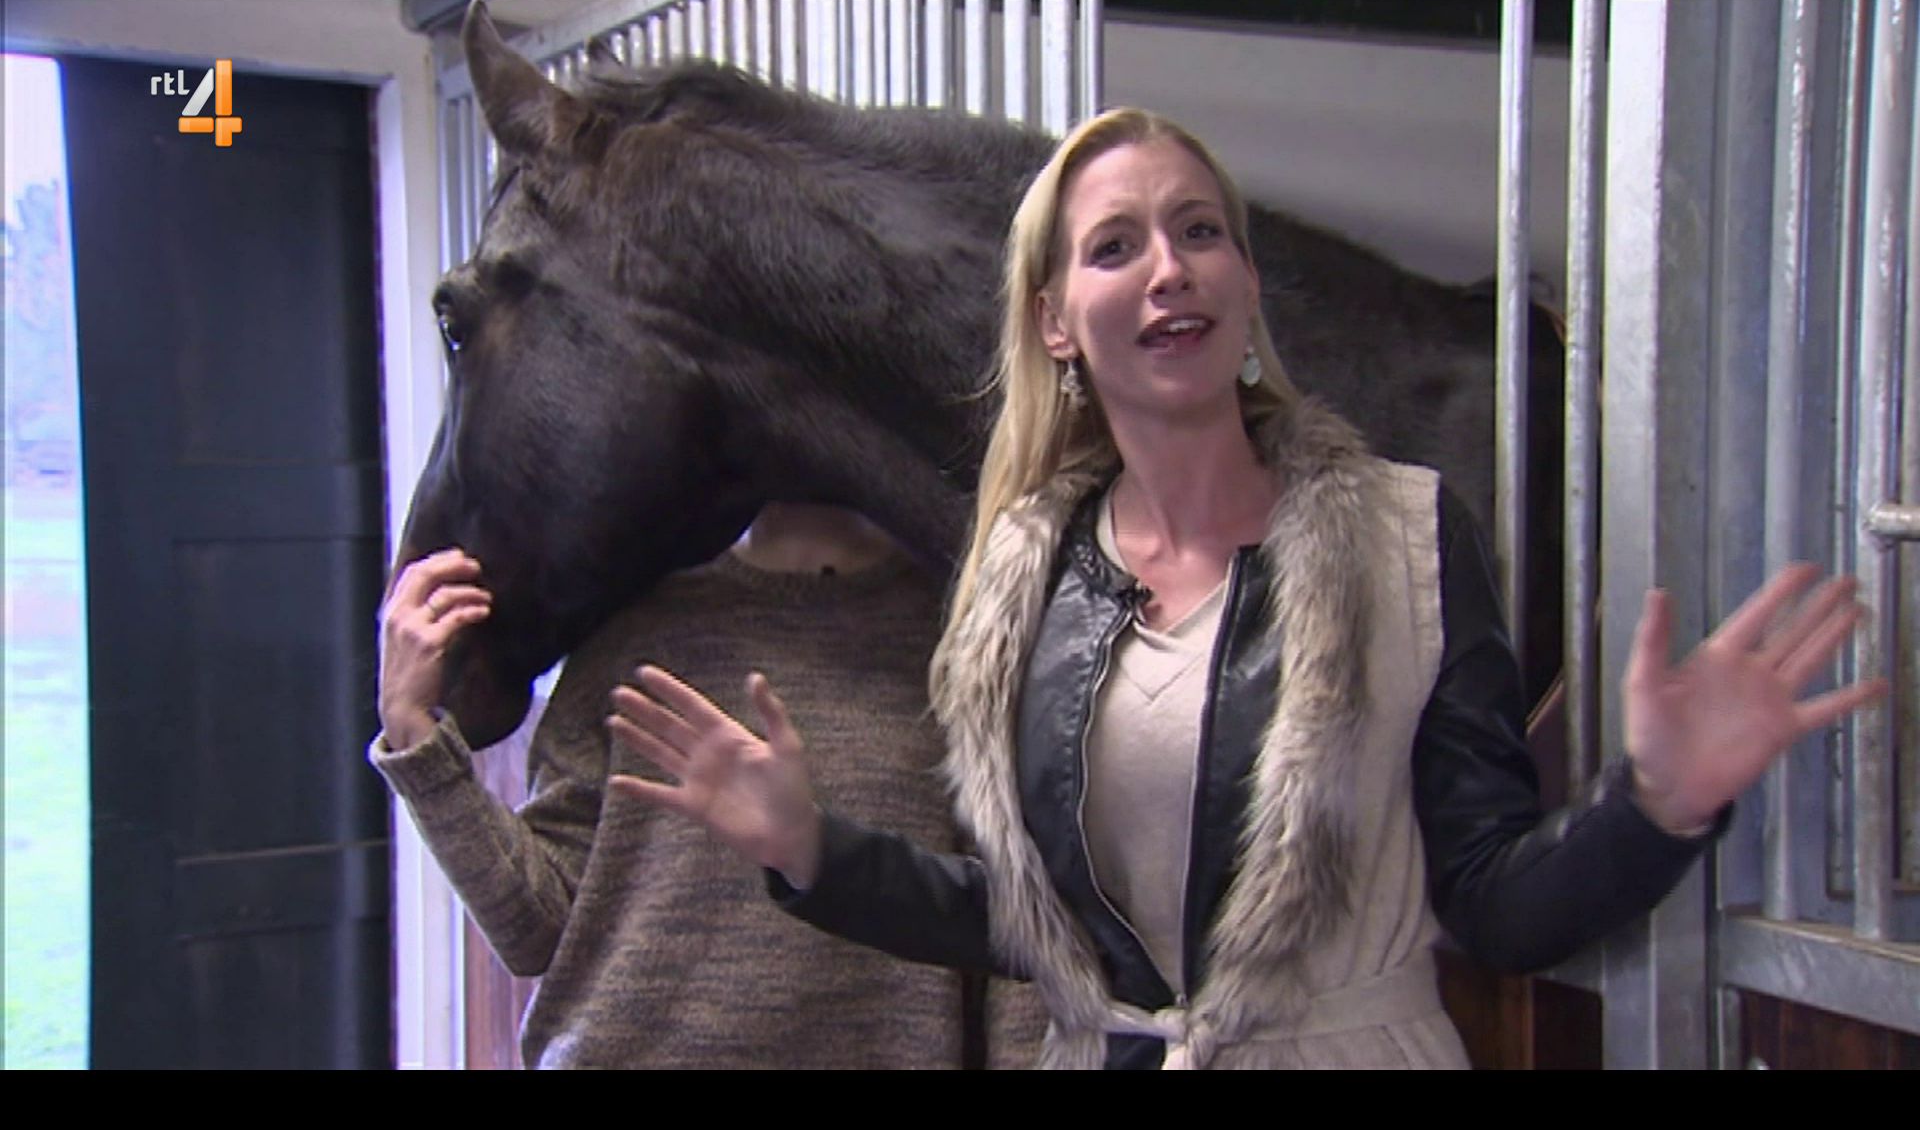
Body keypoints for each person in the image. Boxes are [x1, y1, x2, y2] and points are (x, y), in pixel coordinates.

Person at [603, 108, 1891, 1070]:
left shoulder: (1405, 535)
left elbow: (1495, 906)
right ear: (1056, 321)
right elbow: (1038, 929)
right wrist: (810, 848)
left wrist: (1656, 804)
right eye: (1117, 246)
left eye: (1199, 231)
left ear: (1246, 283)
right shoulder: (1019, 579)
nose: (1169, 267)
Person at [371, 502, 1046, 1068]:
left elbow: (1022, 936)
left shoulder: (963, 642)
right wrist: (413, 733)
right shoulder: (639, 626)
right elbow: (534, 925)